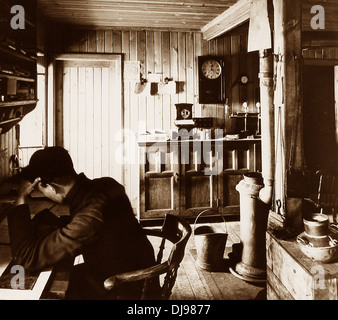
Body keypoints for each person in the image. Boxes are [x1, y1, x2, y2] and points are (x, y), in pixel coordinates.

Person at [6, 146, 156, 299]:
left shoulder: (87, 219)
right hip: (129, 268)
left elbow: (26, 259)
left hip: (125, 287)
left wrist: (21, 197)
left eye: (39, 190)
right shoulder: (106, 184)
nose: (42, 194)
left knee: (49, 290)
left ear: (49, 186)